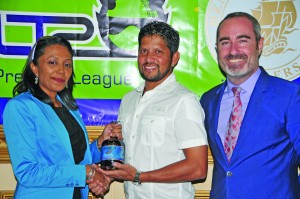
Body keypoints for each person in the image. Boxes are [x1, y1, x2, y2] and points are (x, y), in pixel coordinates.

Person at [91, 21, 208, 199]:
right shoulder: (129, 100)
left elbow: (198, 167)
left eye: (158, 52)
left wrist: (139, 176)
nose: (148, 58)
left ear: (174, 58)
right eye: (143, 51)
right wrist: (107, 177)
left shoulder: (184, 101)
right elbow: (129, 159)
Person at [3, 36, 120, 199]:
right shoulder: (20, 107)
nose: (61, 71)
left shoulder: (68, 108)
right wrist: (86, 173)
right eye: (52, 62)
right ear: (35, 68)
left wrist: (100, 143)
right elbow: (27, 172)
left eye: (67, 64)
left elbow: (74, 160)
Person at [200, 12, 300, 198]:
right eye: (225, 42)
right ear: (217, 49)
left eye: (242, 40)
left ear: (259, 45)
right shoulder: (208, 100)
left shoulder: (289, 96)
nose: (233, 50)